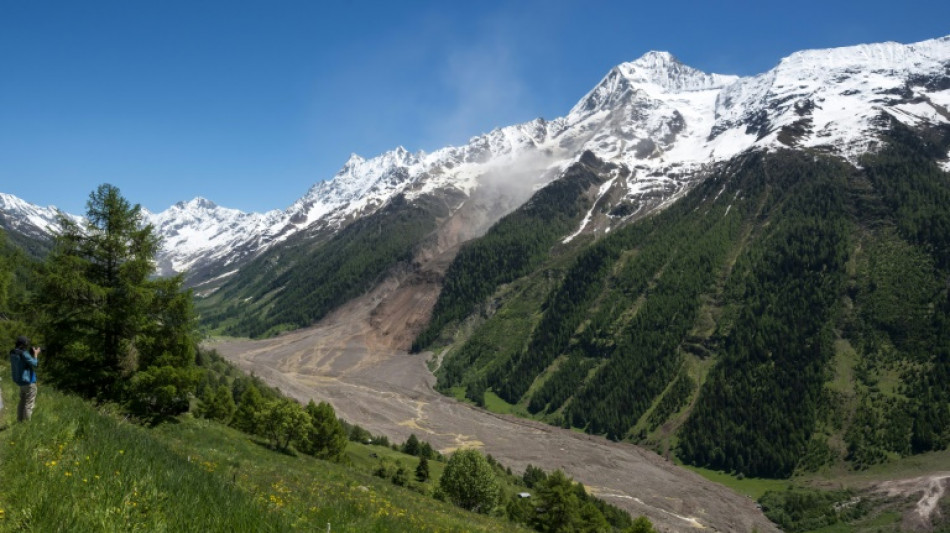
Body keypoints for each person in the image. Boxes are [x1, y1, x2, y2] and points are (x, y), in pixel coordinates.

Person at [10, 336, 39, 422]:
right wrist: (36, 354)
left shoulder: (12, 352)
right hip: (28, 382)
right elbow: (35, 364)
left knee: (22, 401)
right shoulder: (23, 353)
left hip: (20, 381)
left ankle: (19, 420)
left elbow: (22, 363)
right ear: (24, 344)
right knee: (29, 404)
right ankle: (26, 424)